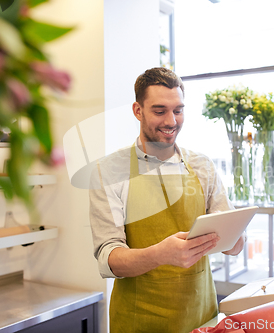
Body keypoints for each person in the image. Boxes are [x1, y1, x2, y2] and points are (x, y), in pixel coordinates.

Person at [89, 67, 244, 333]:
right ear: (138, 111)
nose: (171, 121)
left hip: (200, 315)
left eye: (178, 110)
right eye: (159, 111)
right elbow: (109, 258)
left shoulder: (202, 166)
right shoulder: (109, 171)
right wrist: (159, 255)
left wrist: (235, 239)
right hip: (139, 318)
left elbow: (233, 243)